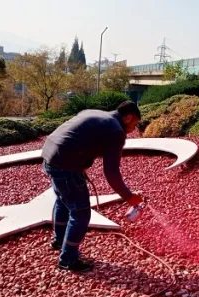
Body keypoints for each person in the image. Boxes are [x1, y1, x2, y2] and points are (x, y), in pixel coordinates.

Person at [41, 101, 144, 272]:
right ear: (128, 117)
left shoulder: (95, 113)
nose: (133, 130)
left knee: (63, 201)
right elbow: (111, 172)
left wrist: (83, 162)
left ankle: (59, 241)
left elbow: (79, 137)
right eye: (135, 124)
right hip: (65, 163)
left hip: (49, 154)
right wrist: (129, 197)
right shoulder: (116, 131)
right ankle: (68, 259)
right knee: (80, 212)